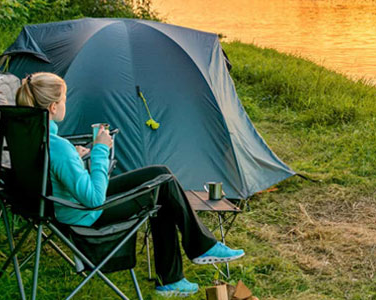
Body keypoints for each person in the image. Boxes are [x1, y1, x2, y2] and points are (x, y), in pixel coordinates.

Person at [15, 72, 242, 297]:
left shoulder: (31, 138)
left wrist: (76, 157)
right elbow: (94, 199)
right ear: (53, 107)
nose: (67, 104)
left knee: (160, 174)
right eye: (64, 99)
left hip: (59, 205)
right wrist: (101, 150)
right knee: (161, 189)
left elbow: (55, 171)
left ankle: (182, 268)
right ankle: (188, 261)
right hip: (85, 213)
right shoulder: (60, 148)